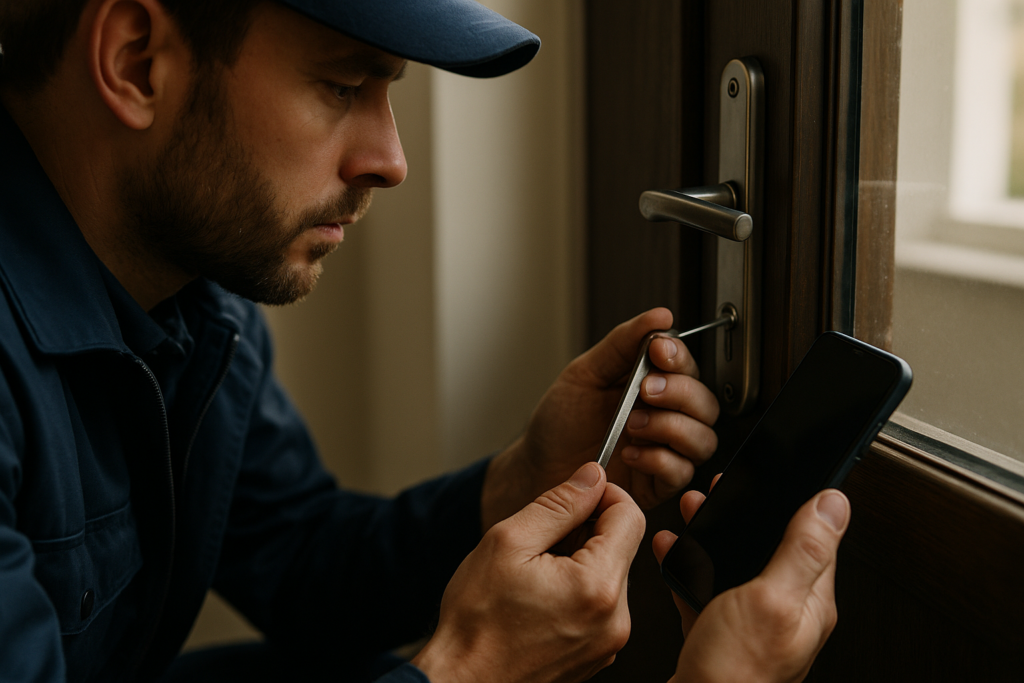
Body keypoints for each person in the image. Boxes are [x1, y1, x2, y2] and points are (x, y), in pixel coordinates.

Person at [0, 1, 850, 681]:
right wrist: (472, 669)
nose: (391, 158)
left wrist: (524, 479)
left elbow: (295, 557)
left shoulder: (192, 295)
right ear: (137, 60)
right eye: (341, 86)